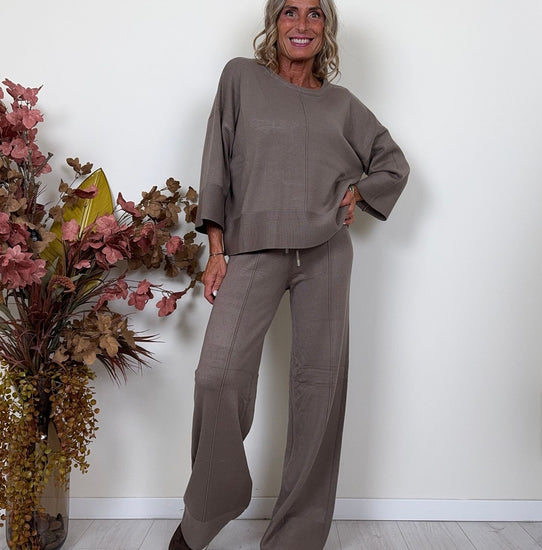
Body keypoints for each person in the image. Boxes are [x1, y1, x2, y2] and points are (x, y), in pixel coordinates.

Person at [169, 0, 409, 548]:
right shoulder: (241, 79)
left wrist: (358, 192)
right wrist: (216, 249)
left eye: (315, 14)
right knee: (217, 376)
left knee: (318, 389)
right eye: (290, 13)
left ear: (327, 28)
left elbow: (393, 163)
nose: (302, 25)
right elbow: (216, 161)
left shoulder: (342, 105)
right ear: (273, 23)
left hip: (326, 253)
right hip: (253, 248)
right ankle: (208, 508)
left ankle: (296, 535)